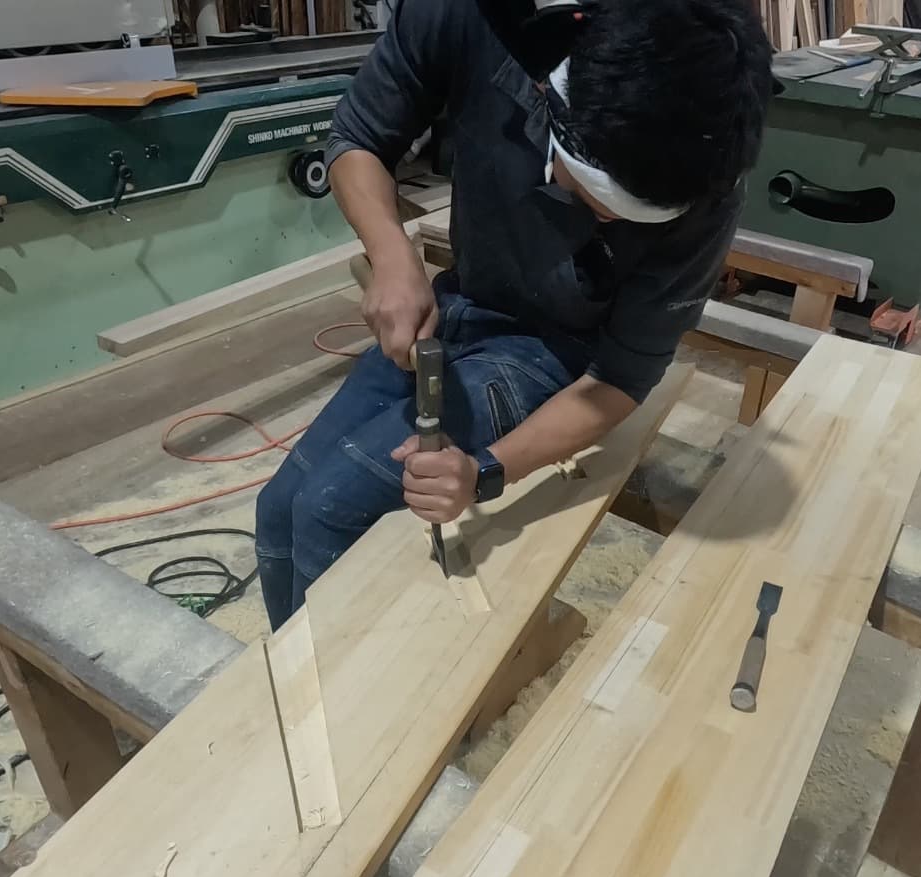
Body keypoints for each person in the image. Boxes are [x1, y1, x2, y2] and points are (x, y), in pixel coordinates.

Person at [255, 0, 774, 629]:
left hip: (557, 354)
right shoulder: (469, 14)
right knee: (278, 507)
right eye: (597, 199)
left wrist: (482, 473)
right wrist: (391, 255)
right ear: (552, 91)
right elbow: (358, 137)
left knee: (328, 509)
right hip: (461, 302)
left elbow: (621, 378)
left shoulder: (709, 165)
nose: (606, 221)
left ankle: (339, 684)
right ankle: (288, 671)